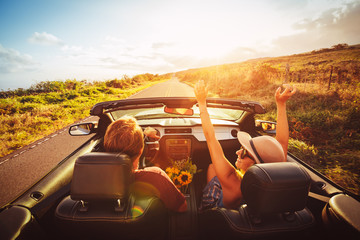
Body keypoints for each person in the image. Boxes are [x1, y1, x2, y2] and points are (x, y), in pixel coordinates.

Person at [194, 80, 296, 210]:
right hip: (243, 211)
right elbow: (281, 143)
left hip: (216, 212)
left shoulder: (233, 182)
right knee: (214, 167)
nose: (237, 152)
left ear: (255, 165)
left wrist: (202, 103)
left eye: (243, 151)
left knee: (212, 168)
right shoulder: (273, 171)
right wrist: (281, 104)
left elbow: (210, 138)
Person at [104, 117, 187, 212]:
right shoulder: (156, 176)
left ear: (106, 146)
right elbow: (182, 208)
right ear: (141, 150)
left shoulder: (93, 177)